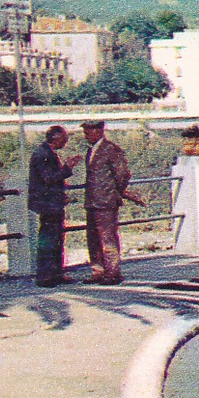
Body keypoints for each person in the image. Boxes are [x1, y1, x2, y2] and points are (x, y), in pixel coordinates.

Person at [81, 120, 141, 284]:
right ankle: (98, 271)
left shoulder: (110, 149)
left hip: (106, 201)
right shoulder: (91, 151)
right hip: (93, 201)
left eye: (88, 132)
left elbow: (122, 174)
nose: (85, 136)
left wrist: (115, 191)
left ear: (98, 131)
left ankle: (112, 272)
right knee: (93, 238)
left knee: (107, 238)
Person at [28, 125, 76, 286]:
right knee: (49, 239)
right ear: (56, 138)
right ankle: (46, 275)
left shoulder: (44, 153)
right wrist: (67, 169)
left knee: (54, 238)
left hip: (51, 202)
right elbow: (49, 178)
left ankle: (54, 273)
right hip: (48, 204)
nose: (66, 141)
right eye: (64, 138)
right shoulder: (43, 155)